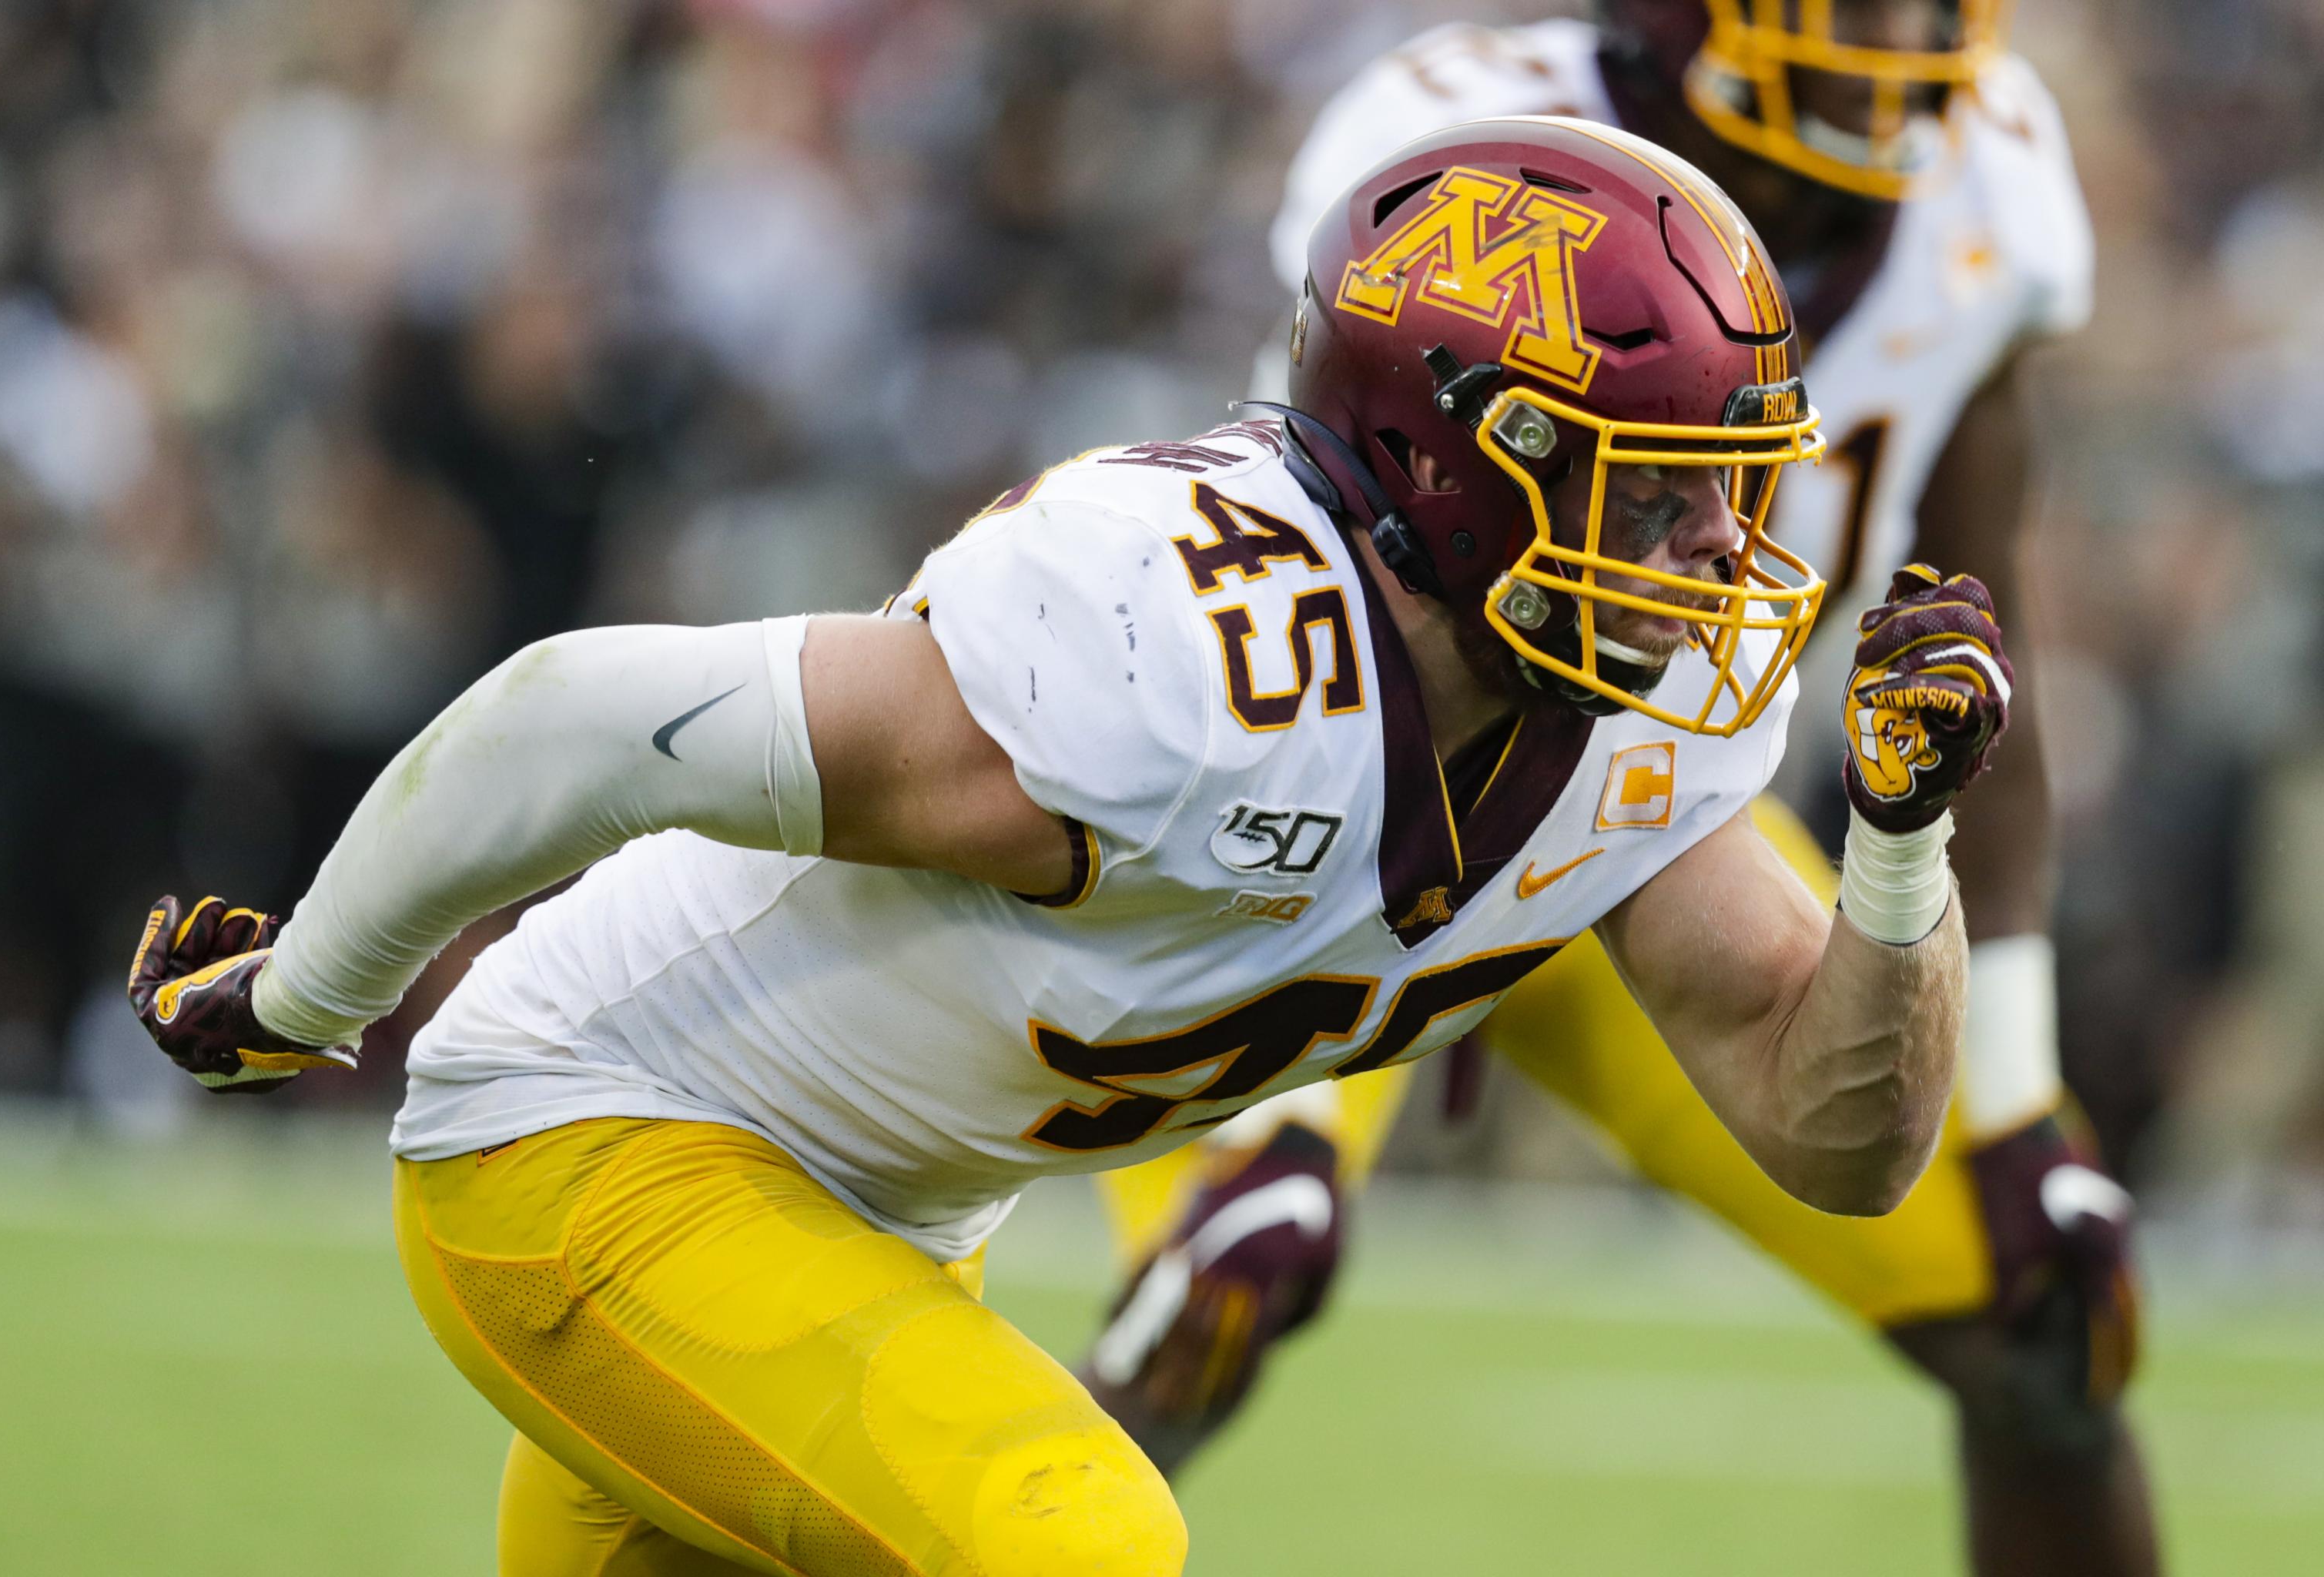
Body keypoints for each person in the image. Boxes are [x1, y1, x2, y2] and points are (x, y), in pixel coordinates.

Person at [129, 118, 2008, 1577]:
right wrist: (311, 990)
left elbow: (1830, 1132)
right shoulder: (1180, 662)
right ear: (1457, 460)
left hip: (857, 1231)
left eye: (1728, 494)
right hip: (596, 1146)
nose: (1712, 561)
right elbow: (582, 718)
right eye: (1659, 492)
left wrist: (1902, 847)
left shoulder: (1636, 720)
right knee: (1072, 1529)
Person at [1080, 5, 2153, 1575]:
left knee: (2046, 1312)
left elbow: (1982, 650)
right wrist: (1284, 1129)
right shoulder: (1462, 153)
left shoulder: (1990, 197)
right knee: (1231, 1275)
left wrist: (2015, 1103)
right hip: (1374, 799)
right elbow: (1302, 545)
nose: (1898, 38)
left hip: (1663, 820)